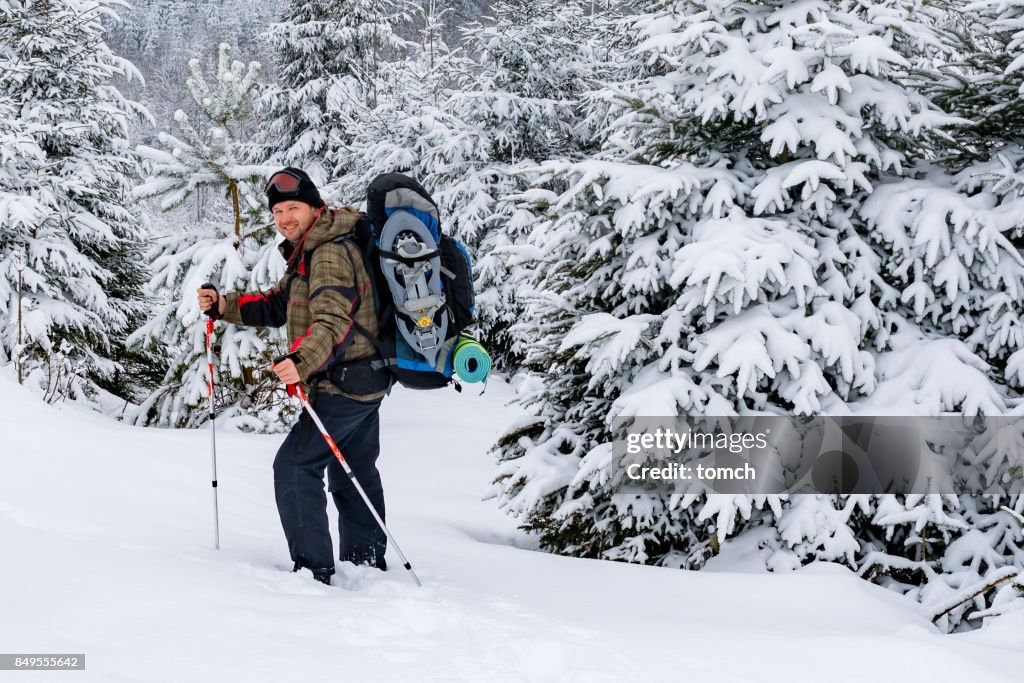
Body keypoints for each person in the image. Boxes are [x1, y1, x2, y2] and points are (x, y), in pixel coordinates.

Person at [197, 167, 391, 585]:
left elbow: (332, 322)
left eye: (293, 208)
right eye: (278, 210)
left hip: (343, 381)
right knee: (352, 469)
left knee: (294, 467)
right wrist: (224, 306)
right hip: (365, 379)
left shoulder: (328, 253)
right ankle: (366, 564)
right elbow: (279, 304)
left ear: (315, 207)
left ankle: (314, 572)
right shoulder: (313, 247)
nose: (285, 218)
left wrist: (301, 361)